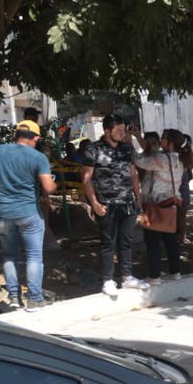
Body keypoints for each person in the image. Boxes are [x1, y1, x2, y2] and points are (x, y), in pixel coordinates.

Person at [0, 120, 56, 310]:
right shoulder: (38, 157)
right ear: (36, 137)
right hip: (29, 213)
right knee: (34, 257)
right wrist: (54, 185)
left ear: (17, 134)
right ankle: (34, 299)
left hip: (2, 212)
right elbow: (47, 188)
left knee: (9, 255)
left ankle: (14, 299)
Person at [81, 114, 148, 296]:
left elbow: (133, 173)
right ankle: (108, 280)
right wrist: (94, 203)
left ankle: (127, 277)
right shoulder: (93, 149)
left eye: (123, 129)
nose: (122, 133)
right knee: (107, 242)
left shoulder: (127, 149)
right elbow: (86, 179)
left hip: (127, 202)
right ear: (107, 130)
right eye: (118, 130)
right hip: (106, 204)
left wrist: (138, 197)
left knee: (126, 241)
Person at [135, 129, 187, 283]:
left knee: (153, 242)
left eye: (163, 138)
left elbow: (139, 160)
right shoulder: (179, 160)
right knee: (170, 240)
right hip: (171, 205)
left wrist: (136, 142)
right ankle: (175, 272)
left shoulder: (162, 159)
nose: (161, 140)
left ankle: (154, 276)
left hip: (157, 205)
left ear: (170, 143)